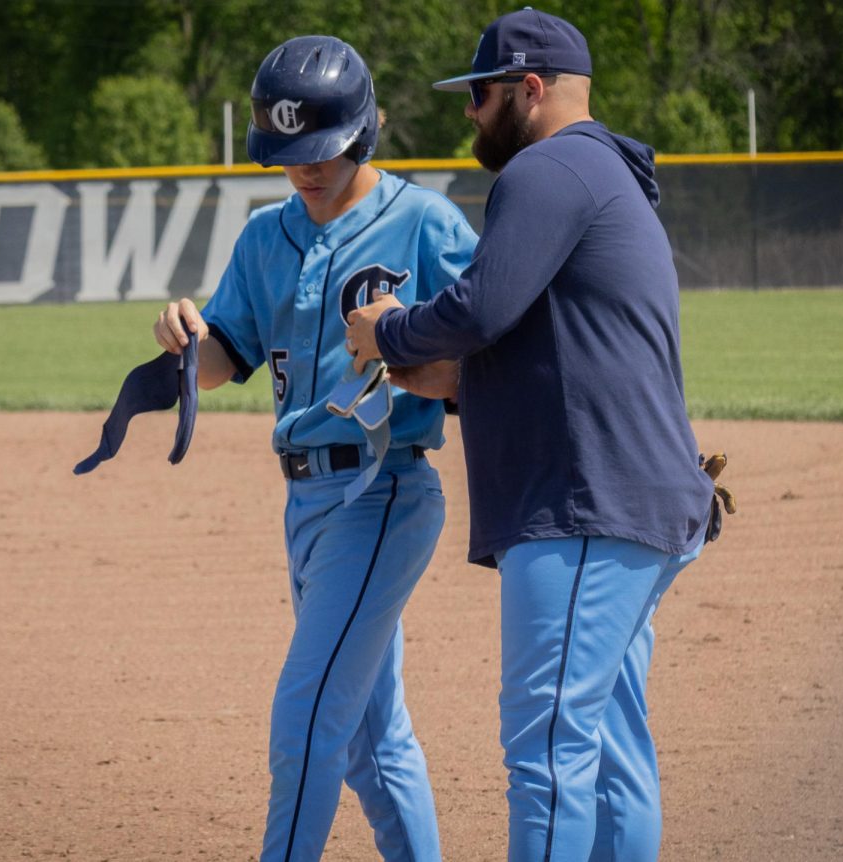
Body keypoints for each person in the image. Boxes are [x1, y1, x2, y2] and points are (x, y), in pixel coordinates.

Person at [344, 8, 720, 861]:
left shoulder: (548, 169)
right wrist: (458, 379)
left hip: (585, 503)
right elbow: (553, 351)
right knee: (612, 753)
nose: (470, 112)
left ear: (532, 89)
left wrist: (391, 332)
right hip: (633, 500)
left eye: (481, 94)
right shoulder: (603, 174)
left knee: (547, 753)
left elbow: (482, 306)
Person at [152, 36, 478, 862]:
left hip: (384, 492)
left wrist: (417, 365)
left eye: (321, 149)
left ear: (364, 131)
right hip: (303, 503)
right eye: (287, 153)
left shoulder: (424, 223)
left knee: (305, 718)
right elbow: (227, 354)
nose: (304, 168)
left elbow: (493, 350)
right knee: (372, 737)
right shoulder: (266, 238)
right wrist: (188, 340)